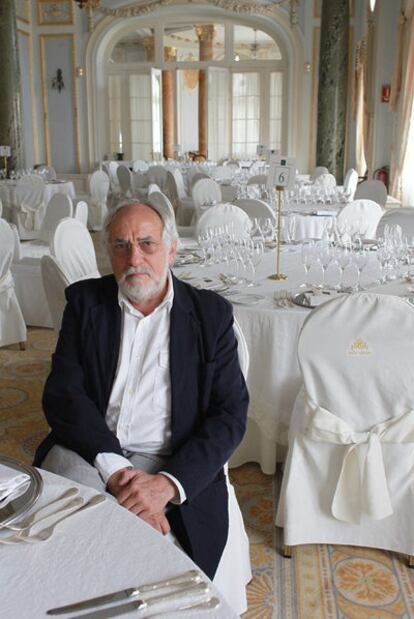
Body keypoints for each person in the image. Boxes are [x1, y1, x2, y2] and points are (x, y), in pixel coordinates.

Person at [34, 199, 249, 593]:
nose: (134, 257)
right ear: (109, 253)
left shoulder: (210, 315)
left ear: (171, 249)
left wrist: (166, 485)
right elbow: (64, 394)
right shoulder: (84, 303)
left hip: (169, 456)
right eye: (121, 245)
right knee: (55, 536)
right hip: (90, 449)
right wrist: (116, 470)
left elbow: (230, 414)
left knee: (138, 552)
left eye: (147, 243)